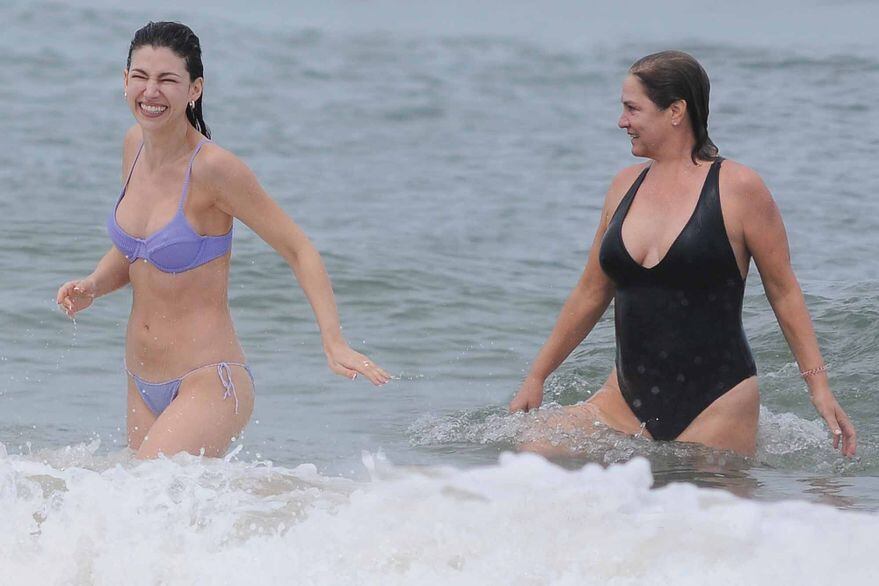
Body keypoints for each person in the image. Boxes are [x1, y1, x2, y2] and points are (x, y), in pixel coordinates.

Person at [56, 21, 390, 459]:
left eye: (167, 80)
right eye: (140, 76)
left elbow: (298, 248)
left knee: (139, 497)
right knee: (146, 520)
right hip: (140, 381)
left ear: (194, 89)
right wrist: (95, 284)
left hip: (208, 380)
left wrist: (333, 339)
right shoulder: (133, 145)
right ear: (125, 80)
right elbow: (137, 251)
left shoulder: (214, 170)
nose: (150, 91)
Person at [509, 50, 856, 457]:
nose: (622, 121)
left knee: (703, 512)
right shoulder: (624, 186)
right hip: (622, 400)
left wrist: (819, 387)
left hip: (718, 403)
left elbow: (783, 291)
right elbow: (590, 291)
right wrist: (537, 377)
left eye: (631, 108)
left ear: (675, 111)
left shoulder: (738, 187)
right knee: (532, 449)